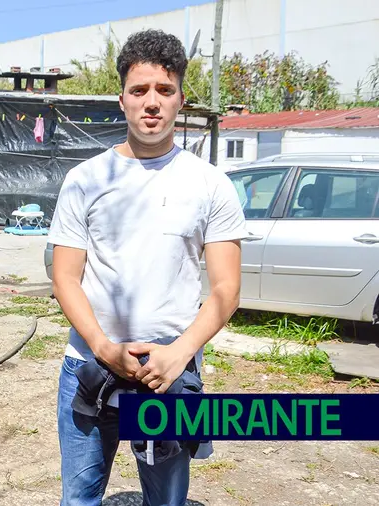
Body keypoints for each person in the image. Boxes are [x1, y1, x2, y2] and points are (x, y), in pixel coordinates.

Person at [48, 29, 247, 506]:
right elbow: (64, 277)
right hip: (89, 371)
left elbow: (226, 289)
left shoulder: (210, 185)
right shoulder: (85, 180)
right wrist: (101, 346)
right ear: (122, 99)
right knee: (79, 501)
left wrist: (179, 353)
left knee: (167, 502)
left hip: (170, 376)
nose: (151, 103)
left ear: (181, 98)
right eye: (139, 91)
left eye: (164, 90)